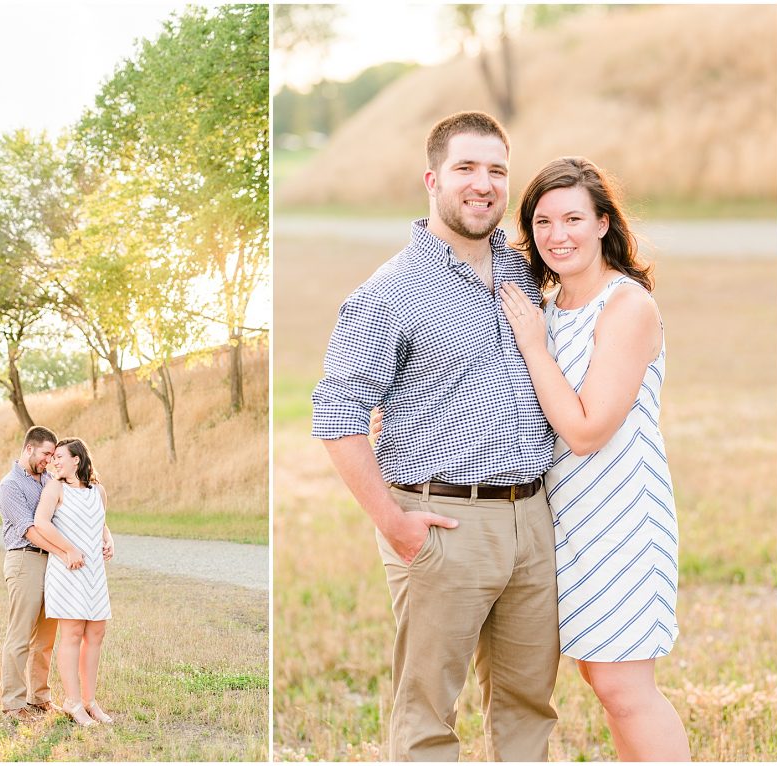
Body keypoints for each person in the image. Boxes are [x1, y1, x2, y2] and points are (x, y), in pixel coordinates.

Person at [312, 110, 560, 761]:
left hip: (533, 518)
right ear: (432, 178)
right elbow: (337, 413)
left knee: (529, 703)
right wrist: (393, 521)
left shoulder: (523, 270)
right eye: (466, 169)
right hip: (443, 520)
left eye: (497, 171)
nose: (483, 185)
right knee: (427, 717)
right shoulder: (389, 293)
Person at [498, 156, 690, 760]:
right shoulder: (549, 307)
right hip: (567, 521)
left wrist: (531, 344)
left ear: (605, 223)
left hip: (623, 516)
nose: (559, 235)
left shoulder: (626, 306)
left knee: (623, 685)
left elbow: (585, 431)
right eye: (544, 221)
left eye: (575, 218)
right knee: (601, 681)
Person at [0, 425, 79, 720]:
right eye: (46, 453)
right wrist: (63, 552)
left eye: (53, 455)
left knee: (45, 637)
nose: (49, 460)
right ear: (29, 448)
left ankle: (39, 697)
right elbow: (29, 530)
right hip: (25, 560)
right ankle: (13, 703)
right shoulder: (9, 486)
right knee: (20, 635)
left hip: (51, 564)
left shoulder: (49, 480)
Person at [32, 437, 115, 727]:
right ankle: (73, 702)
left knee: (96, 633)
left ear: (76, 460)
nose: (54, 462)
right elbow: (41, 523)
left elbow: (100, 522)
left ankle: (90, 701)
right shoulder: (55, 488)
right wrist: (69, 549)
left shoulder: (98, 492)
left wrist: (108, 539)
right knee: (72, 633)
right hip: (67, 570)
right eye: (52, 457)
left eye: (59, 457)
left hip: (94, 573)